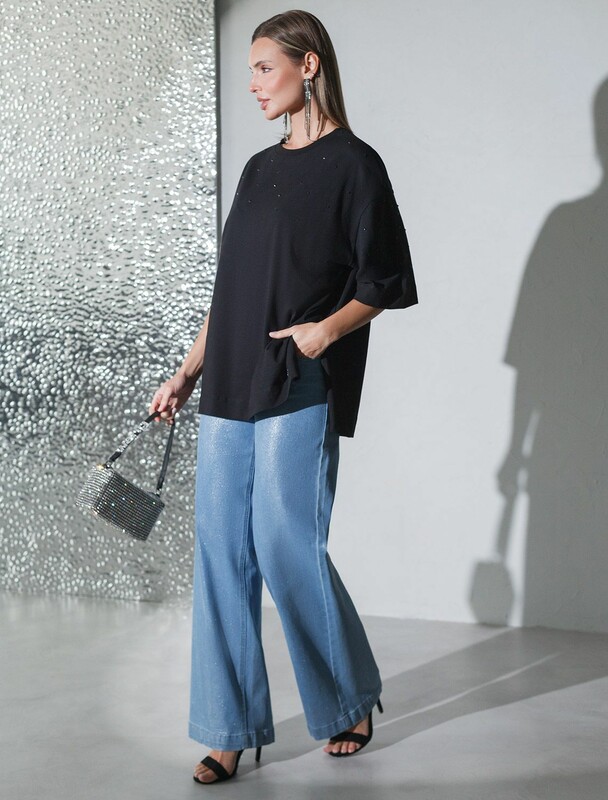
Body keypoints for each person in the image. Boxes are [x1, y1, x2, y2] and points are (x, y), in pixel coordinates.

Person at [149, 9, 418, 785]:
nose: (254, 84)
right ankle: (228, 729)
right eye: (250, 71)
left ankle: (347, 700)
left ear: (309, 65)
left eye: (264, 67)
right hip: (229, 381)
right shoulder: (256, 170)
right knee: (220, 550)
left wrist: (324, 332)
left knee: (282, 541)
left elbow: (384, 280)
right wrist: (187, 370)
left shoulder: (355, 165)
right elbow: (230, 288)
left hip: (298, 380)